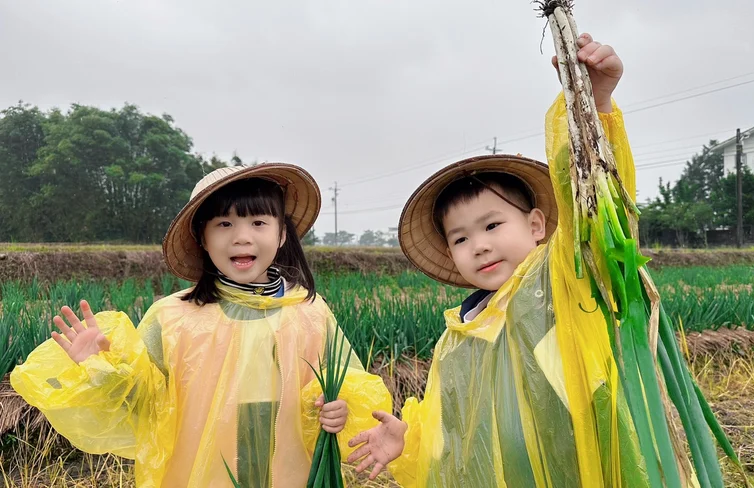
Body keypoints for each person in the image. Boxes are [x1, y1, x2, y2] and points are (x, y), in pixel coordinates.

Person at [347, 33, 651, 487]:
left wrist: (594, 106)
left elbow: (596, 207)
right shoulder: (458, 339)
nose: (480, 246)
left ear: (534, 226)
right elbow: (448, 432)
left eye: (492, 226)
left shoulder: (562, 287)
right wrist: (406, 441)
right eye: (461, 238)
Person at [11, 163, 391, 487]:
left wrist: (336, 409)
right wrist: (99, 370)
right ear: (202, 239)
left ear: (282, 233)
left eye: (258, 221)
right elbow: (143, 408)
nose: (242, 236)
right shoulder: (172, 317)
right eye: (224, 223)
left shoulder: (310, 311)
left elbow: (349, 387)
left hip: (289, 472)